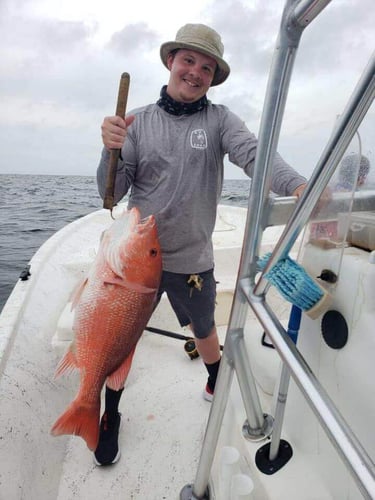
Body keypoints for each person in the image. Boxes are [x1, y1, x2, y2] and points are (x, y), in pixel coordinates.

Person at [95, 23, 307, 466]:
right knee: (125, 336)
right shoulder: (137, 120)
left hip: (193, 258)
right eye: (188, 60)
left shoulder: (220, 120)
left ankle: (214, 379)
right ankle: (110, 414)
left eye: (206, 67)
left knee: (205, 326)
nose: (195, 72)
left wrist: (297, 185)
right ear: (171, 61)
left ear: (213, 77)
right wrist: (108, 149)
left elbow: (255, 154)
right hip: (135, 261)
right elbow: (110, 191)